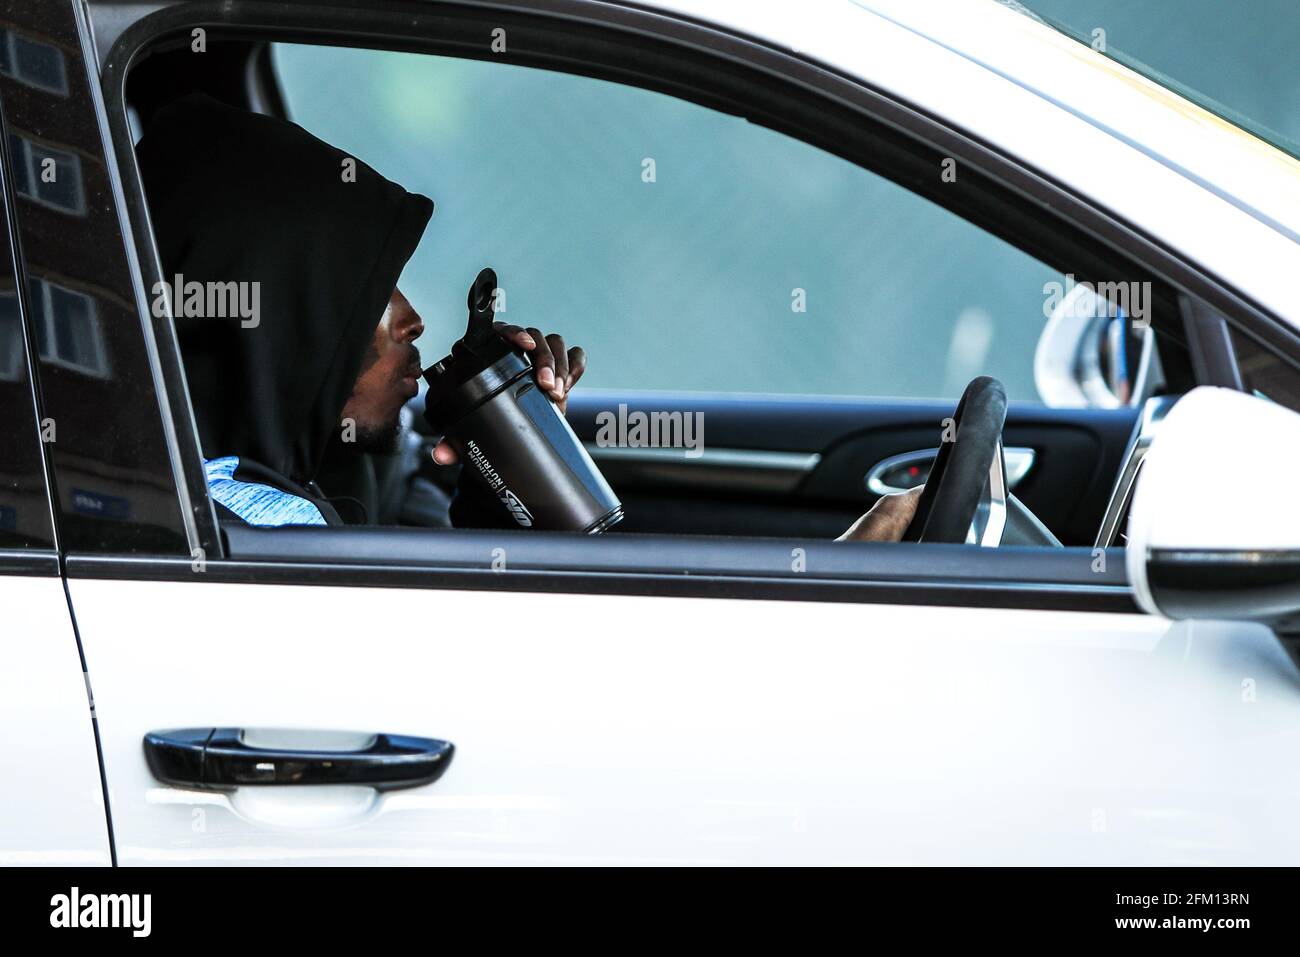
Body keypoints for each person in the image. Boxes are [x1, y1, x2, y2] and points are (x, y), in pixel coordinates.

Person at [138, 93, 919, 538]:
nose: (412, 320)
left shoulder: (287, 473)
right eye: (364, 286)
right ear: (279, 317)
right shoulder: (254, 531)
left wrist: (503, 447)